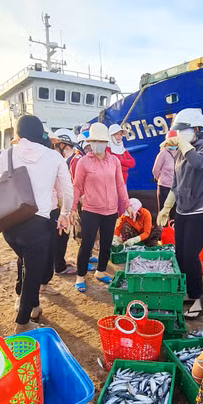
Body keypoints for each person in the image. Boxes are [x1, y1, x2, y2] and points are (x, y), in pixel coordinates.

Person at [0, 115, 72, 333]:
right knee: (32, 274)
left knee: (26, 265)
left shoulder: (7, 154)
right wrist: (64, 214)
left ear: (18, 134)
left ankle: (33, 306)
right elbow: (68, 191)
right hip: (38, 225)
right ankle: (22, 322)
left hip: (10, 225)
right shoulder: (54, 157)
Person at [156, 109, 203, 319]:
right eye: (178, 131)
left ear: (197, 130)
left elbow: (198, 163)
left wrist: (181, 143)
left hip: (199, 212)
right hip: (182, 211)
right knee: (179, 254)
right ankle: (189, 292)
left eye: (183, 130)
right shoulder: (180, 152)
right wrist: (166, 207)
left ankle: (199, 300)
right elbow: (175, 184)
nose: (180, 135)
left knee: (191, 255)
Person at [71, 123, 132, 292]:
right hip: (91, 210)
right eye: (95, 141)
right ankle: (80, 276)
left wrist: (127, 204)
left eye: (102, 141)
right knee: (87, 244)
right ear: (90, 143)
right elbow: (77, 186)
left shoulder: (114, 161)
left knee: (106, 243)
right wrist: (73, 208)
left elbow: (120, 184)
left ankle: (100, 271)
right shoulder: (83, 162)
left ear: (107, 143)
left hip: (111, 210)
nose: (99, 144)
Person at [50, 128, 80, 275]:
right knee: (60, 235)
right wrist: (67, 211)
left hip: (58, 203)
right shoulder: (55, 160)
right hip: (57, 204)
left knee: (61, 236)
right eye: (68, 146)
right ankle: (59, 266)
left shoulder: (52, 158)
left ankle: (59, 262)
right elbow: (63, 188)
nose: (70, 150)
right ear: (60, 145)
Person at [152, 138, 177, 212]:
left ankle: (172, 223)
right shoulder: (163, 153)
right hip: (164, 187)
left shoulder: (180, 153)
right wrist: (160, 179)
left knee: (174, 211)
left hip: (176, 187)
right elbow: (156, 170)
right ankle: (163, 223)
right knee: (163, 211)